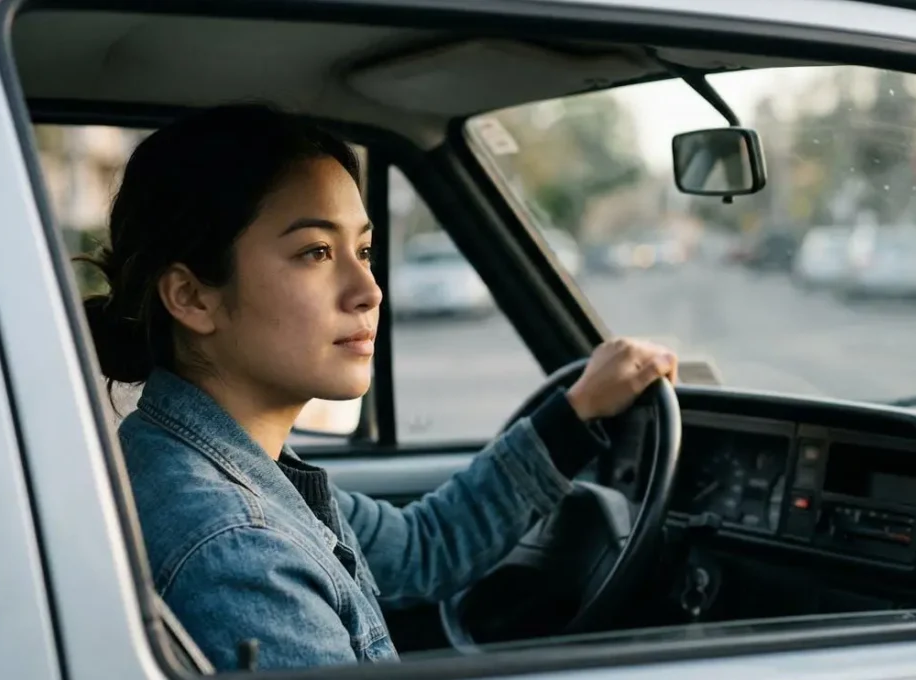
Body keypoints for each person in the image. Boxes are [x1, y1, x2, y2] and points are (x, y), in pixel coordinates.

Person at [80, 103, 677, 671]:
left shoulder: (198, 461)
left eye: (363, 250)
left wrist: (575, 414)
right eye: (316, 251)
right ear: (191, 297)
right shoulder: (239, 548)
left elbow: (421, 549)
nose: (369, 289)